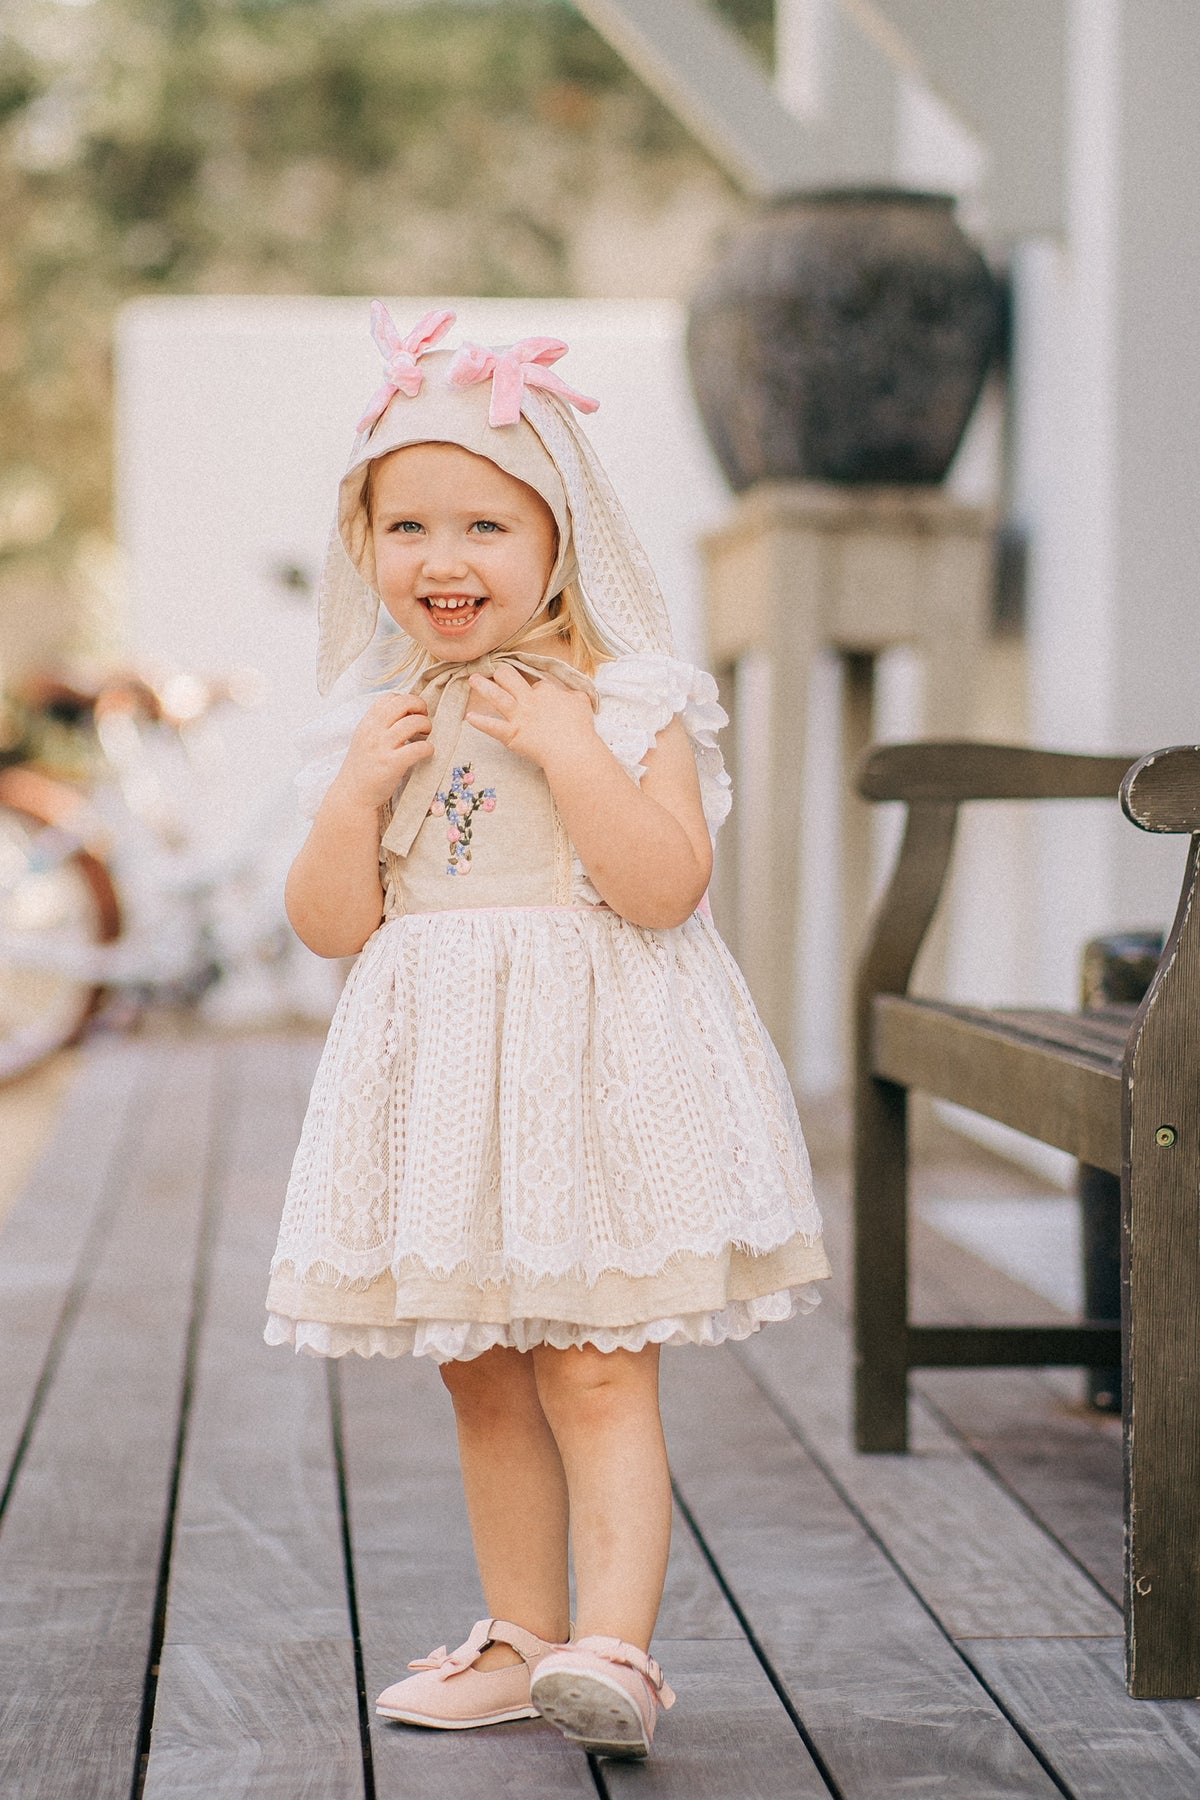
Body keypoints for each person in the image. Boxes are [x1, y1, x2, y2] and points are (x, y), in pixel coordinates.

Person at [266, 304, 830, 1760]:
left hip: (593, 1079)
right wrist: (349, 800)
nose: (442, 561)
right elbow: (332, 923)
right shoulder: (372, 719)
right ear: (365, 542)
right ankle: (519, 1637)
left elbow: (661, 889)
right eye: (406, 528)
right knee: (482, 1368)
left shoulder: (635, 699)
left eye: (483, 527)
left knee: (593, 1360)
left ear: (560, 537)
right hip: (453, 1089)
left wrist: (572, 750)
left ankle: (615, 1651)